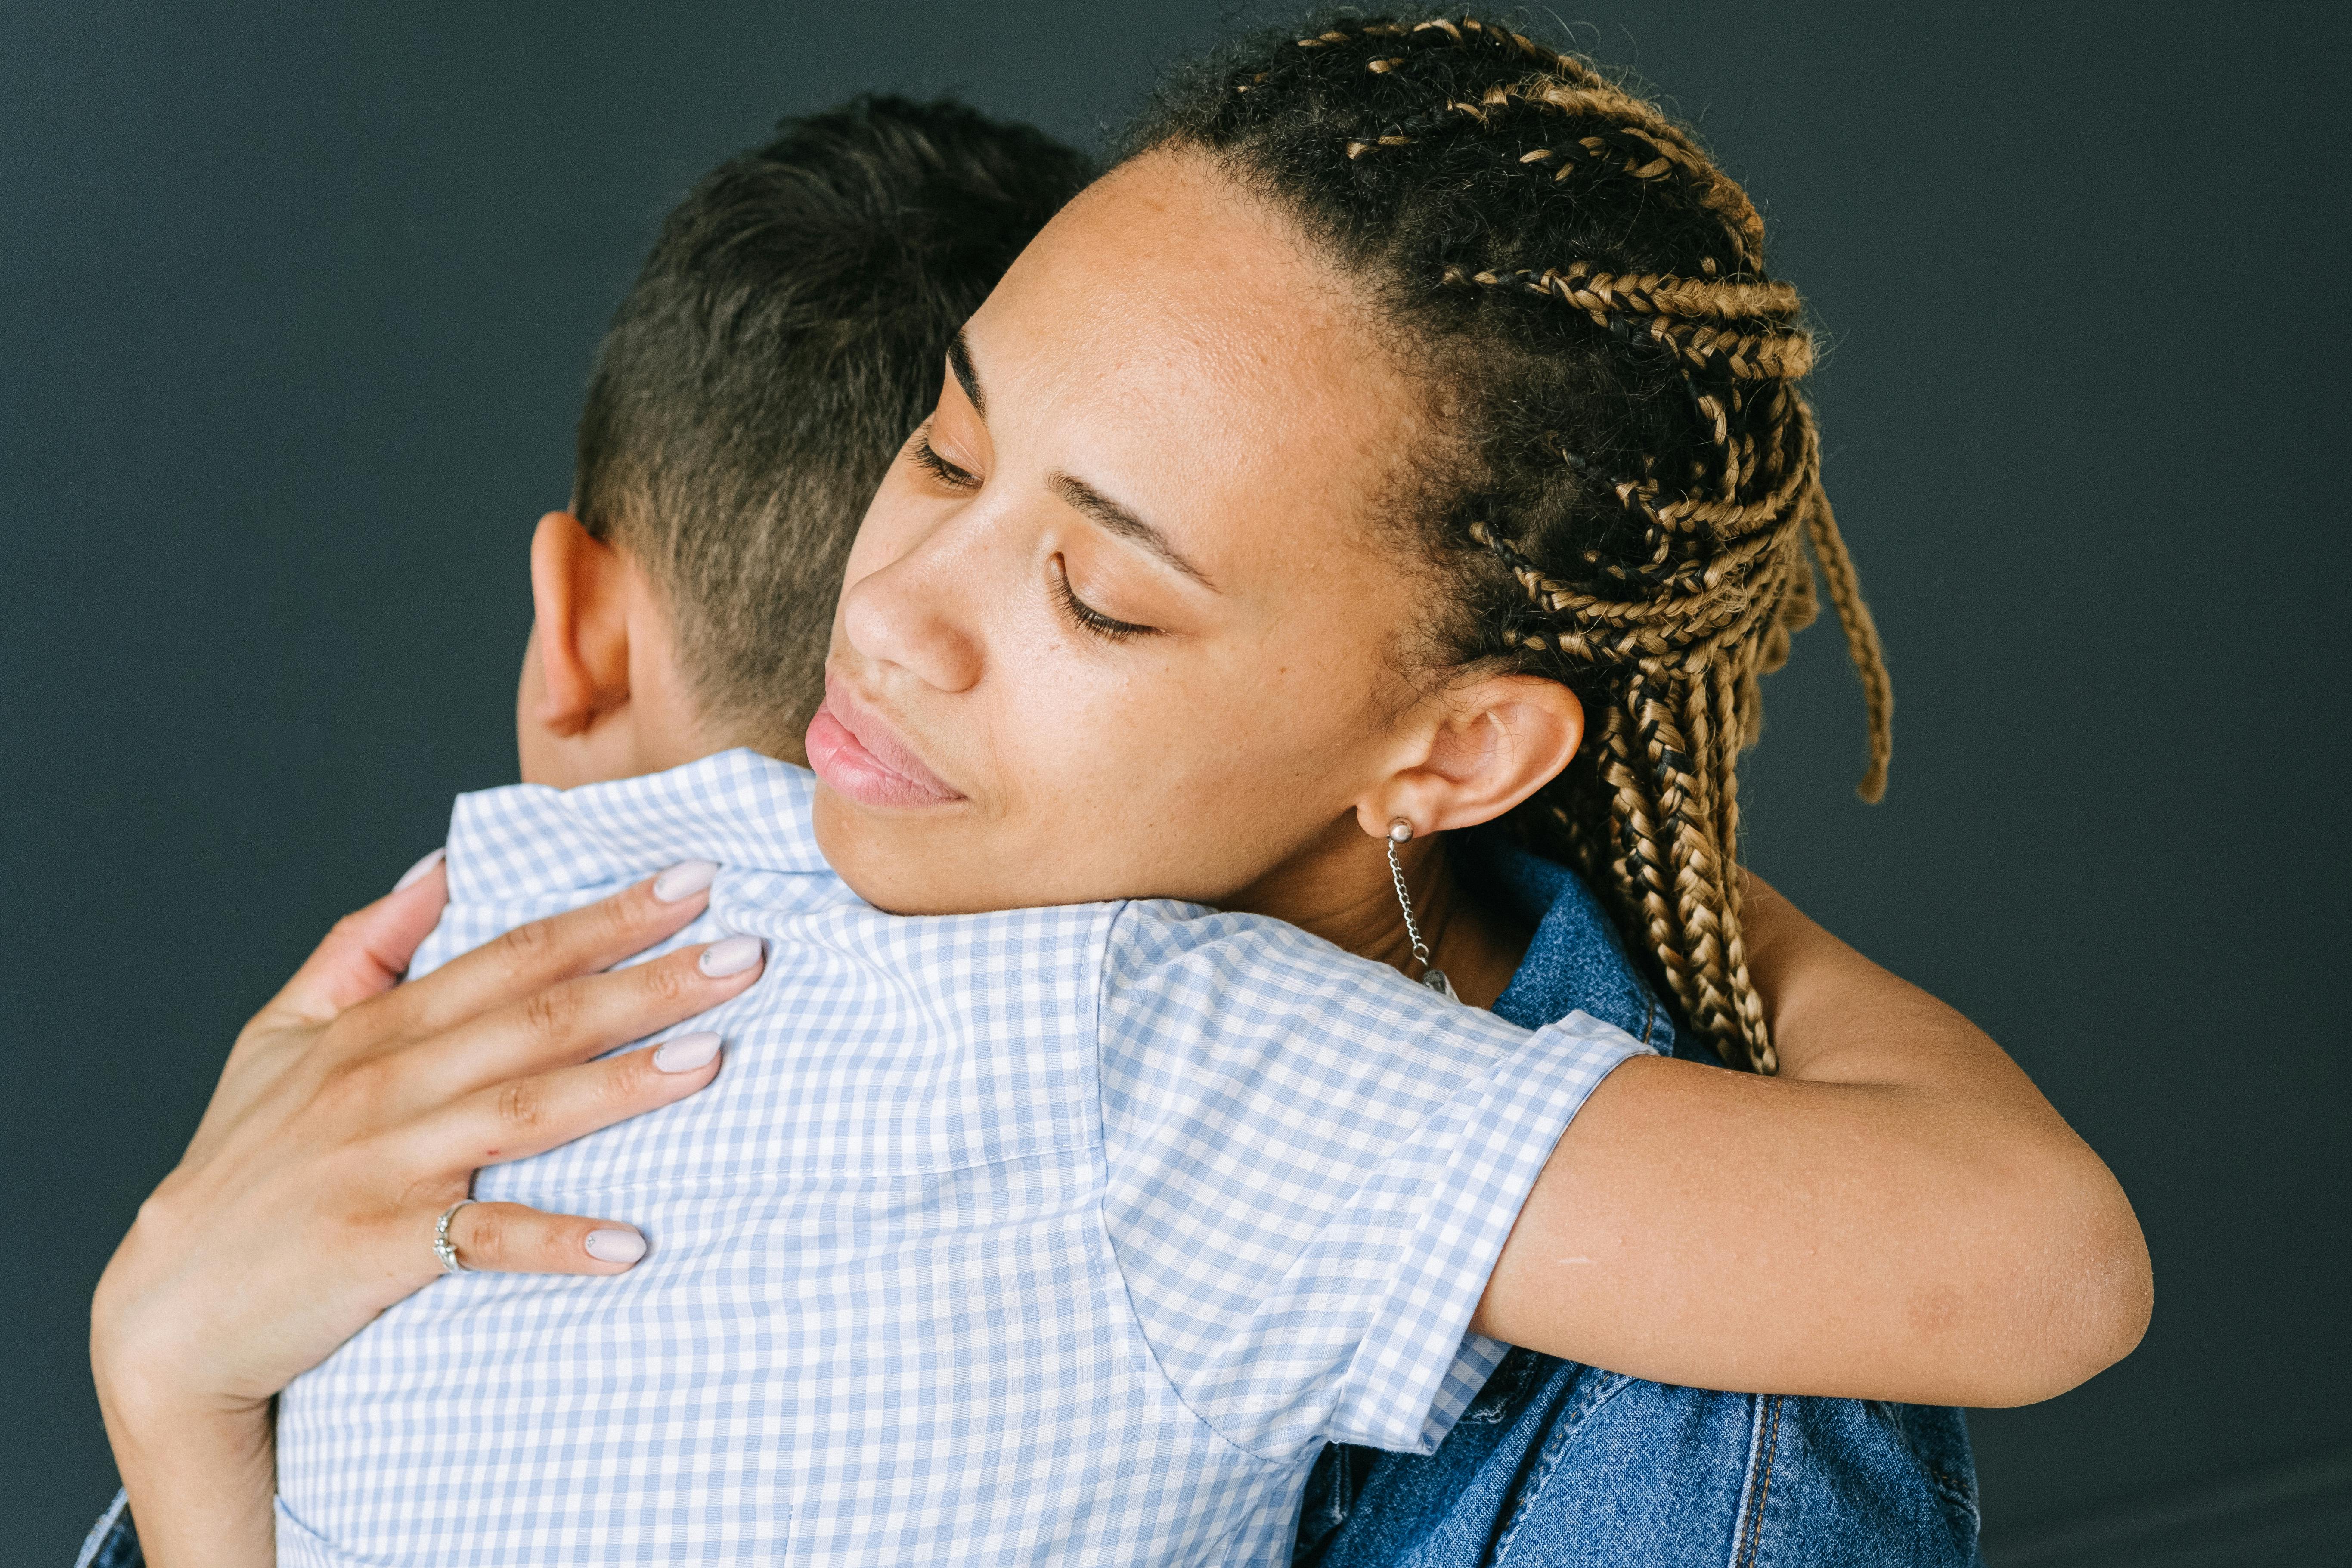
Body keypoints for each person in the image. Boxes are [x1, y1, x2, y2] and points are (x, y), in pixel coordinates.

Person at [88, 16, 2155, 1566]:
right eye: (945, 452)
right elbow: (2040, 1260)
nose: (888, 612)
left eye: (1094, 593)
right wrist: (175, 1371)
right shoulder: (1086, 1040)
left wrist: (177, 1407)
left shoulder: (551, 913)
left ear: (1449, 745)